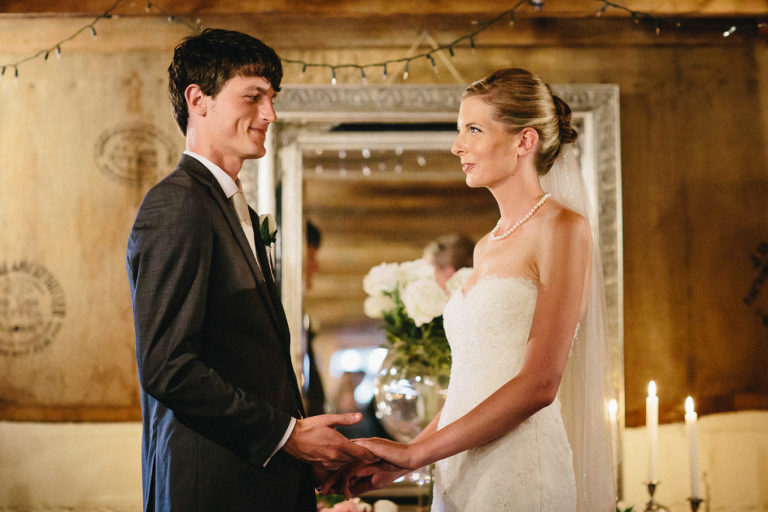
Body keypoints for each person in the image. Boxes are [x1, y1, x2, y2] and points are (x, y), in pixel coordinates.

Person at [341, 69, 615, 511]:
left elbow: (540, 383)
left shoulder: (563, 228)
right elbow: (470, 386)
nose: (457, 146)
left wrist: (415, 452)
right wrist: (402, 465)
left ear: (525, 141)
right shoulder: (487, 246)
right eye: (458, 130)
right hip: (460, 469)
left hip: (521, 467)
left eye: (473, 129)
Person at [126, 29, 373, 512]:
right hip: (212, 489)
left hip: (255, 480)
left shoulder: (230, 206)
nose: (270, 115)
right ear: (198, 99)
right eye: (254, 97)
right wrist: (288, 435)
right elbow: (167, 367)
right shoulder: (177, 204)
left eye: (272, 99)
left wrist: (302, 454)